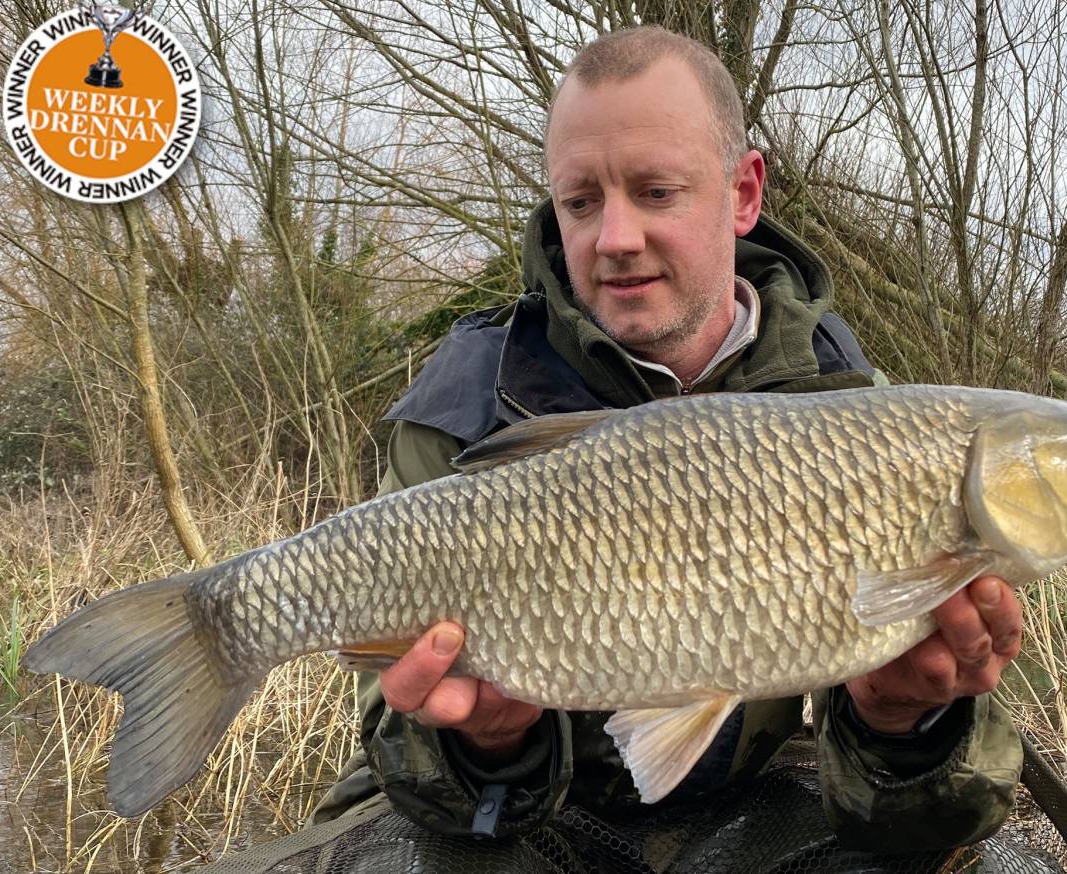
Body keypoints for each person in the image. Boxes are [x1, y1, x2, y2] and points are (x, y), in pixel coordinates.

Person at [310, 24, 1024, 860]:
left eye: (655, 192)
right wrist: (484, 746)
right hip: (525, 823)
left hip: (747, 795)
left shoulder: (861, 423)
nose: (613, 238)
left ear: (744, 192)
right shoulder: (463, 411)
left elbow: (928, 813)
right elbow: (398, 745)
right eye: (580, 201)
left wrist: (904, 722)